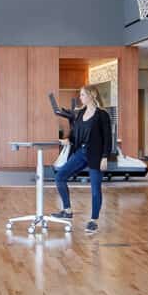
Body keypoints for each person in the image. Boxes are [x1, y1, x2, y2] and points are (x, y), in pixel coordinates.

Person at [50, 84, 110, 234]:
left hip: (96, 154)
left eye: (83, 94)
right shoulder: (81, 112)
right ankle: (67, 210)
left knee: (95, 190)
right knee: (60, 176)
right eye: (80, 95)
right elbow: (75, 131)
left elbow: (108, 138)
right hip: (81, 152)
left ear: (92, 95)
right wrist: (68, 140)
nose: (80, 97)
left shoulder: (102, 115)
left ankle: (93, 220)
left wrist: (104, 157)